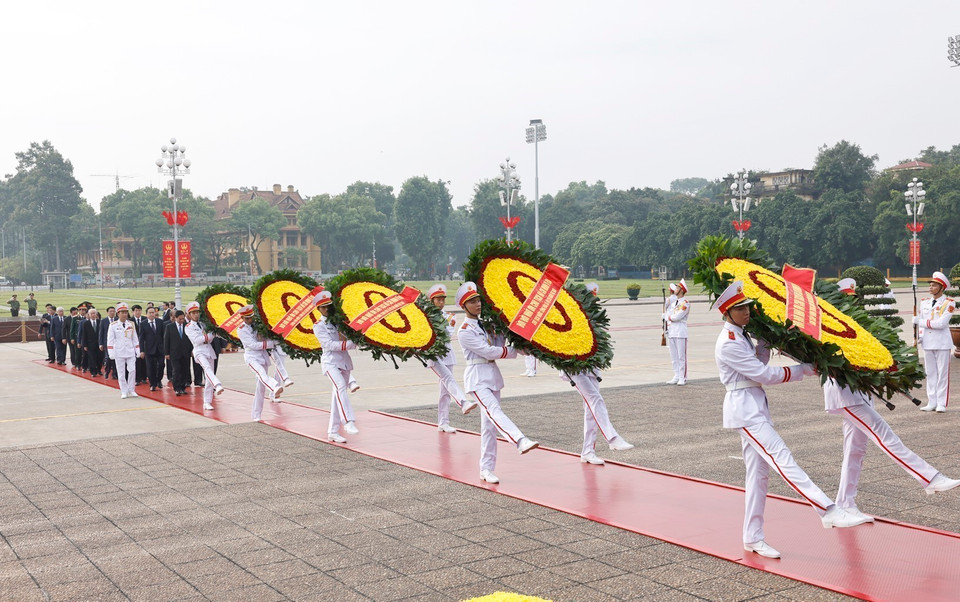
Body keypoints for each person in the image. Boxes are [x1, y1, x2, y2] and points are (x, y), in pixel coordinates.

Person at [714, 280, 868, 560]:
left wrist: (766, 342)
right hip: (744, 410)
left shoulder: (743, 335)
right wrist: (804, 370)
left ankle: (753, 537)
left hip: (754, 406)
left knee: (758, 476)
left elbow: (758, 363)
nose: (747, 311)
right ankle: (828, 510)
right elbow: (764, 376)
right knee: (783, 458)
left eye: (748, 306)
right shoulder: (729, 343)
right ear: (727, 313)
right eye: (740, 308)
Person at [456, 281, 539, 484]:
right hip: (476, 378)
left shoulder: (488, 325)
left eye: (477, 300)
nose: (477, 304)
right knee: (494, 411)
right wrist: (513, 353)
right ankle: (520, 440)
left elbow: (501, 342)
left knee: (489, 427)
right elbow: (488, 351)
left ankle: (486, 468)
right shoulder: (464, 330)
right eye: (472, 302)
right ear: (464, 306)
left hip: (492, 376)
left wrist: (523, 347)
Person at [425, 284, 477, 432]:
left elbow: (446, 334)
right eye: (438, 300)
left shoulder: (449, 316)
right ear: (431, 301)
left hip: (447, 354)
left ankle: (443, 422)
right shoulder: (425, 317)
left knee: (444, 391)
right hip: (433, 355)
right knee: (448, 379)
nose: (441, 303)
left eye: (442, 300)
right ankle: (463, 402)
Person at [312, 291, 360, 442]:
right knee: (340, 387)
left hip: (344, 361)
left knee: (337, 396)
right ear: (318, 309)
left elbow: (348, 334)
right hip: (330, 362)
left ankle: (333, 431)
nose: (326, 309)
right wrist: (349, 344)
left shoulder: (339, 320)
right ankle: (348, 421)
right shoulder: (319, 326)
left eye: (328, 306)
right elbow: (328, 344)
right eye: (323, 308)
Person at [236, 305, 292, 420]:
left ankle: (256, 415)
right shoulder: (241, 330)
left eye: (251, 317)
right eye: (247, 318)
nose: (249, 320)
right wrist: (270, 344)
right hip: (251, 357)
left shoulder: (258, 326)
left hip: (262, 357)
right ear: (242, 318)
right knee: (262, 374)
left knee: (260, 388)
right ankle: (275, 386)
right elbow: (253, 345)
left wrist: (275, 340)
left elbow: (266, 337)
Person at [914, 271, 955, 413]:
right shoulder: (924, 302)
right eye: (930, 285)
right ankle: (932, 401)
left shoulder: (949, 303)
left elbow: (941, 324)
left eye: (934, 285)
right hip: (928, 342)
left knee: (942, 374)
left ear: (941, 287)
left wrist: (921, 322)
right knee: (930, 373)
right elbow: (921, 325)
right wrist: (918, 338)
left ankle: (941, 403)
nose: (930, 287)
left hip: (942, 343)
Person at [184, 301, 225, 410]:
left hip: (209, 350)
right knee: (207, 368)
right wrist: (209, 335)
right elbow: (197, 340)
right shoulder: (188, 327)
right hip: (199, 351)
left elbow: (213, 335)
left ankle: (207, 402)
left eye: (197, 312)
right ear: (189, 315)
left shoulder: (204, 324)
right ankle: (217, 384)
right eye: (193, 313)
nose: (196, 314)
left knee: (208, 377)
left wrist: (210, 335)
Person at [106, 302, 141, 399]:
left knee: (132, 370)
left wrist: (137, 350)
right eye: (122, 312)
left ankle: (131, 389)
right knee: (121, 373)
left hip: (130, 351)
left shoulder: (131, 324)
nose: (125, 314)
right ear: (118, 314)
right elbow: (110, 340)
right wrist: (111, 353)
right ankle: (124, 390)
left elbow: (135, 338)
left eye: (126, 312)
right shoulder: (113, 325)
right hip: (119, 352)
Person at [664, 278, 690, 385]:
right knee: (674, 356)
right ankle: (676, 375)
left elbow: (677, 317)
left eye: (678, 287)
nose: (676, 289)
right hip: (672, 331)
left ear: (682, 290)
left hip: (680, 331)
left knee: (681, 356)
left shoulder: (685, 303)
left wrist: (668, 317)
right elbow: (668, 312)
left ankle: (682, 377)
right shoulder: (675, 302)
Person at [164, 310, 192, 396]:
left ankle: (183, 387)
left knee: (185, 370)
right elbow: (166, 340)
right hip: (174, 353)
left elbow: (191, 340)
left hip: (185, 353)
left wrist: (191, 351)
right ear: (175, 318)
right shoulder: (170, 327)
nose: (181, 321)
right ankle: (177, 388)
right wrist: (166, 353)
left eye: (183, 319)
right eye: (180, 319)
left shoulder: (187, 326)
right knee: (176, 370)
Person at [140, 306, 165, 391]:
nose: (151, 314)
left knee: (161, 365)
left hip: (160, 348)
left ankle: (159, 380)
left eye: (153, 312)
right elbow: (141, 338)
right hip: (149, 349)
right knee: (150, 368)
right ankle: (153, 384)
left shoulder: (160, 322)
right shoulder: (143, 324)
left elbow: (163, 336)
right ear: (146, 314)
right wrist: (142, 350)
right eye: (150, 313)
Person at [80, 309, 103, 376]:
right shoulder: (86, 323)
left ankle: (99, 369)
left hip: (99, 344)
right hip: (90, 344)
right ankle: (93, 372)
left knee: (100, 358)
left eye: (94, 313)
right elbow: (84, 335)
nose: (93, 315)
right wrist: (85, 345)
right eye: (91, 314)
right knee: (91, 358)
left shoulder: (100, 322)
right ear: (89, 315)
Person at [99, 306, 118, 379]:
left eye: (113, 311)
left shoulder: (117, 320)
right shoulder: (104, 321)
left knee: (116, 359)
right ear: (107, 312)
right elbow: (101, 333)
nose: (112, 313)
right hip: (107, 343)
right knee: (108, 359)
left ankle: (115, 374)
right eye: (110, 311)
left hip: (116, 343)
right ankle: (107, 372)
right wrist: (101, 343)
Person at [131, 305, 147, 385]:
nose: (138, 312)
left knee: (144, 362)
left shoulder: (145, 319)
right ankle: (137, 379)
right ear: (133, 312)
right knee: (136, 362)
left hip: (144, 344)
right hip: (134, 345)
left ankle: (144, 377)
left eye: (139, 310)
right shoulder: (130, 321)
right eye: (136, 310)